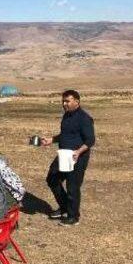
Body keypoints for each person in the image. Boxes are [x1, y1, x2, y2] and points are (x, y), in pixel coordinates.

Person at [41, 89, 95, 226]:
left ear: (77, 101)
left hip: (77, 157)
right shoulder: (66, 116)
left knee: (73, 187)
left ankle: (73, 216)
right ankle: (64, 207)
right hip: (64, 154)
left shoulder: (84, 118)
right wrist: (51, 140)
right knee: (52, 179)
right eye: (63, 101)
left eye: (67, 101)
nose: (64, 104)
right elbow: (65, 135)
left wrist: (78, 151)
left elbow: (90, 140)